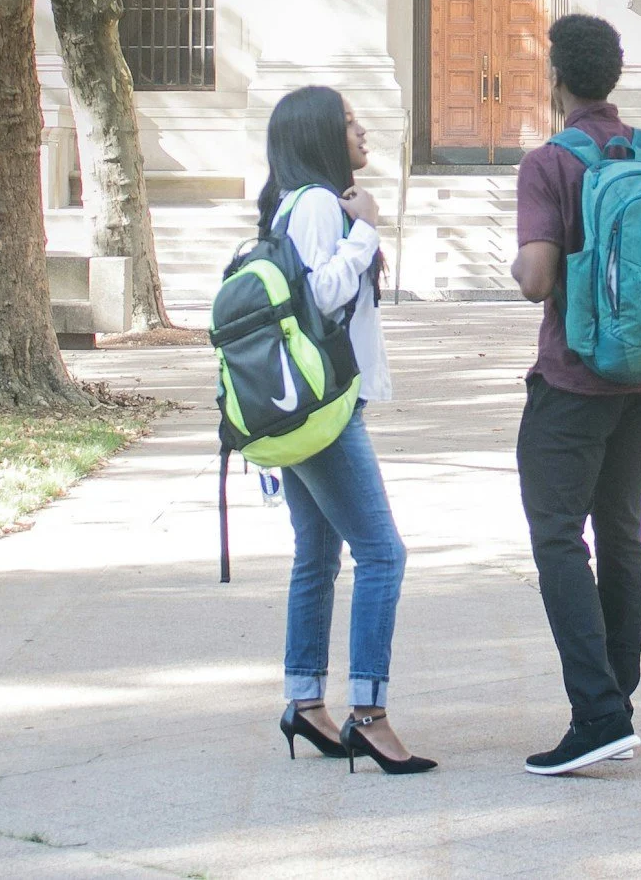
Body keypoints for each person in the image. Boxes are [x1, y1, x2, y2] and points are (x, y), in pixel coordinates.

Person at [507, 13, 641, 776]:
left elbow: (538, 279)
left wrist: (517, 260)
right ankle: (619, 694)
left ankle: (598, 711)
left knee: (556, 534)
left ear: (556, 78)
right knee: (621, 530)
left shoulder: (549, 162)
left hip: (575, 378)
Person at [258, 85, 436, 776]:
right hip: (323, 407)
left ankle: (305, 700)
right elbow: (320, 295)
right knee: (383, 554)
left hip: (306, 403)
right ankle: (368, 714)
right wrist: (365, 230)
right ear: (319, 137)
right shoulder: (312, 207)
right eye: (350, 121)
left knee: (318, 553)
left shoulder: (299, 203)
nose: (363, 131)